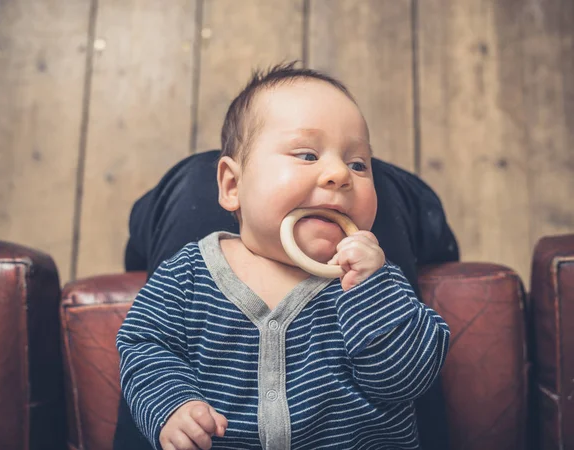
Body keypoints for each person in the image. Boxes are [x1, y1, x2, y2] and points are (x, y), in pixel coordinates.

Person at [115, 63, 459, 450]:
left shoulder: (374, 283)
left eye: (359, 164)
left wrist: (373, 292)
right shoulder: (186, 274)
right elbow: (143, 345)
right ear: (232, 185)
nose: (339, 174)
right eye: (308, 155)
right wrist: (171, 406)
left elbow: (407, 379)